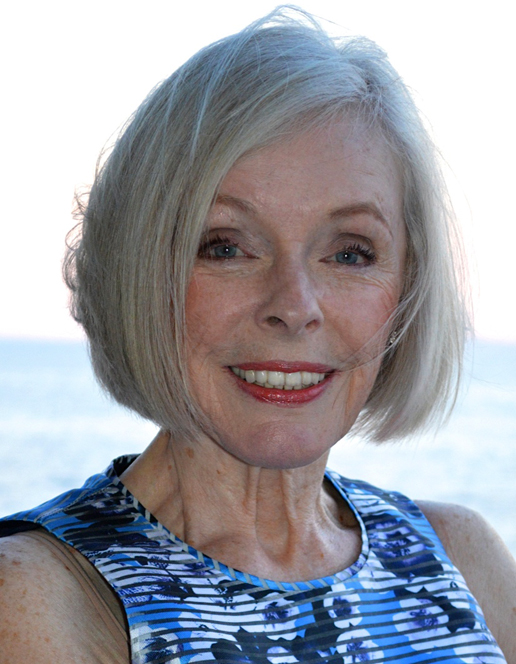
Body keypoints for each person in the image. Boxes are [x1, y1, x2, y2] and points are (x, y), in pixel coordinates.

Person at [0, 7, 515, 663]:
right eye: (226, 247)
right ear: (140, 271)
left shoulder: (463, 558)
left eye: (350, 253)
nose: (294, 307)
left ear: (408, 286)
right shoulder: (38, 594)